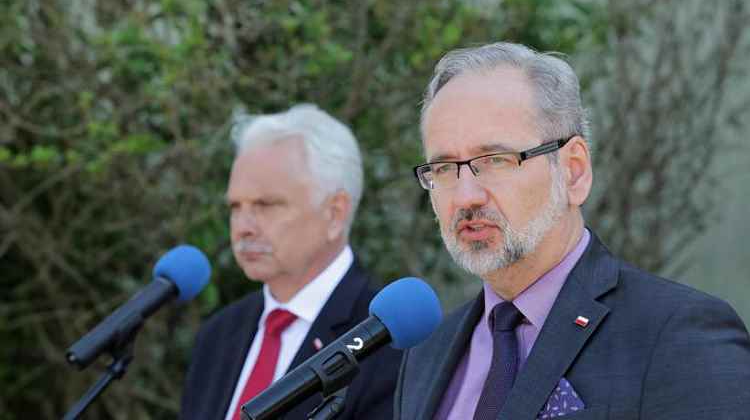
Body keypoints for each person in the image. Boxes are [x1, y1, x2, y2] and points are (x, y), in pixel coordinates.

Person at [395, 42, 750, 420]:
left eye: (496, 160)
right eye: (444, 169)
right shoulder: (426, 355)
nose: (466, 196)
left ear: (573, 171)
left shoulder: (677, 335)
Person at [181, 104, 401, 420]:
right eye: (235, 207)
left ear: (335, 213)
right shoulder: (217, 335)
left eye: (266, 205)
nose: (243, 226)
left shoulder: (389, 341)